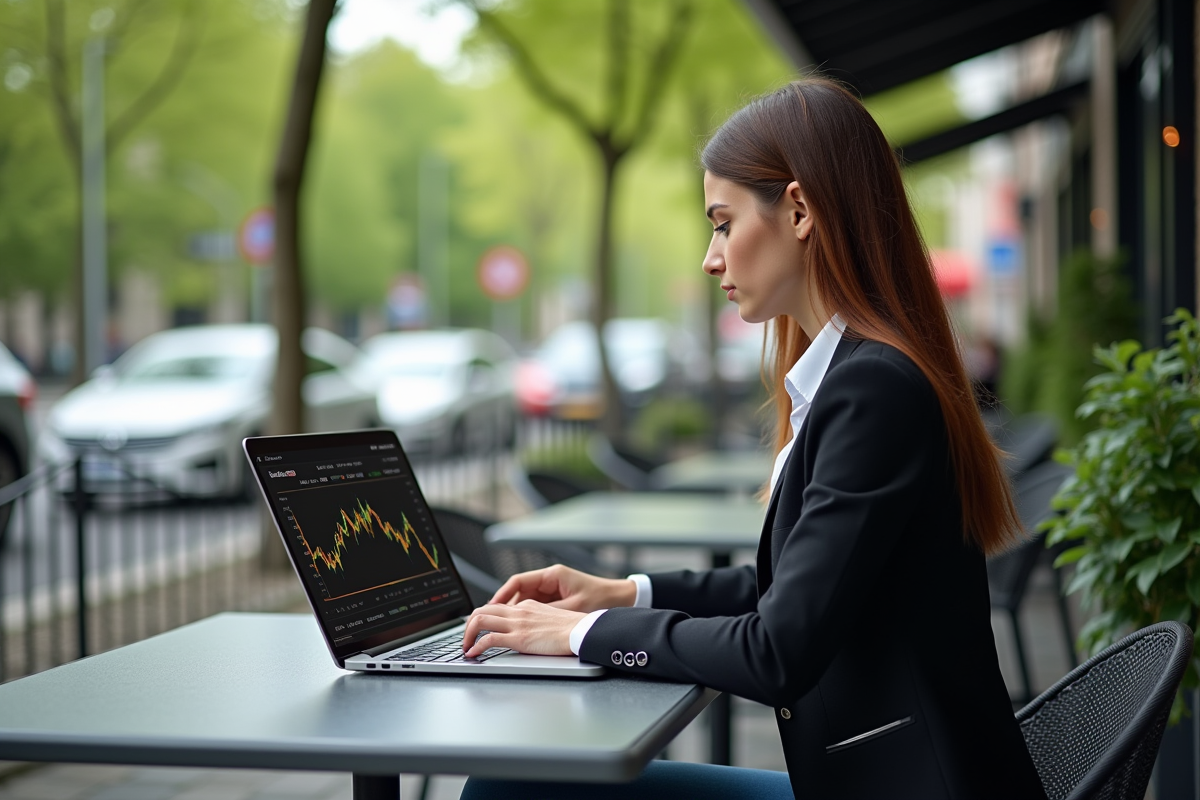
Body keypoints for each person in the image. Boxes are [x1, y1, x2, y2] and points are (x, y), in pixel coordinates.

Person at [458, 78, 1047, 800]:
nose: (711, 257)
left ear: (799, 210)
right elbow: (790, 594)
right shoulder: (862, 376)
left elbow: (776, 650)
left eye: (723, 222)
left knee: (510, 790)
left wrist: (582, 634)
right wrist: (623, 591)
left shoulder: (874, 390)